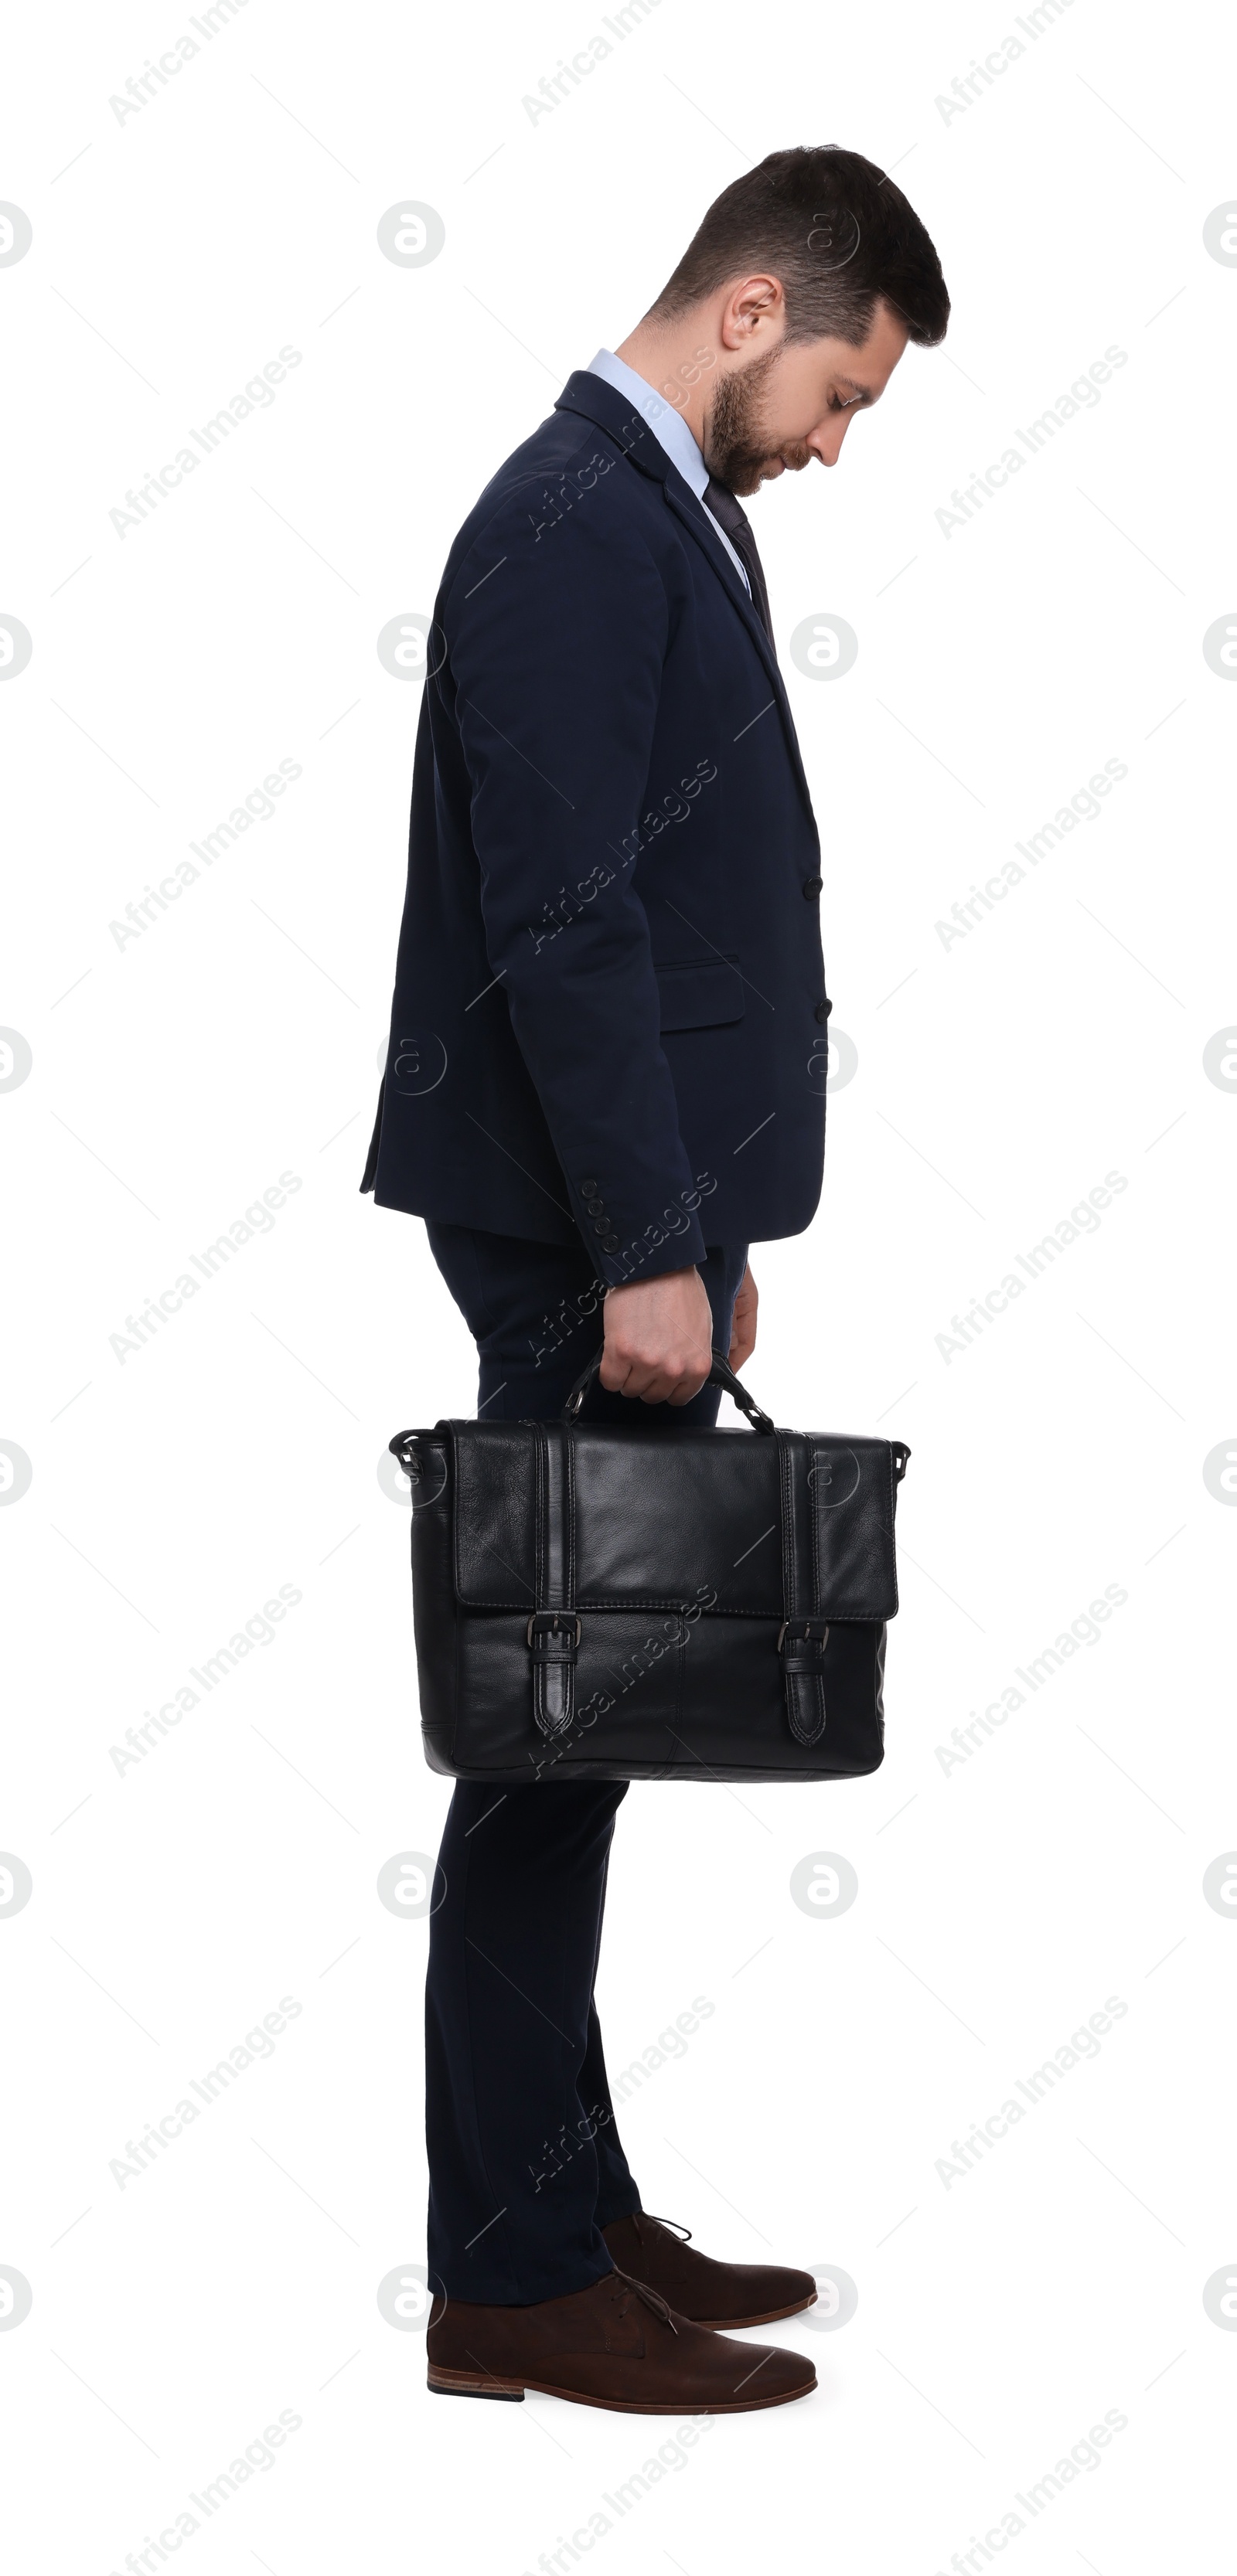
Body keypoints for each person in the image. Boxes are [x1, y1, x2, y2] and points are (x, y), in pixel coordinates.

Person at [363, 143, 949, 2412]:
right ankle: (509, 2270)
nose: (831, 442)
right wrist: (640, 1246)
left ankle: (569, 2202)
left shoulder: (643, 507)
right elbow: (566, 915)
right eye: (841, 393)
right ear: (747, 310)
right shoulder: (578, 521)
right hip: (561, 1222)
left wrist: (700, 1226)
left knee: (576, 1731)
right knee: (544, 1741)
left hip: (627, 1223)